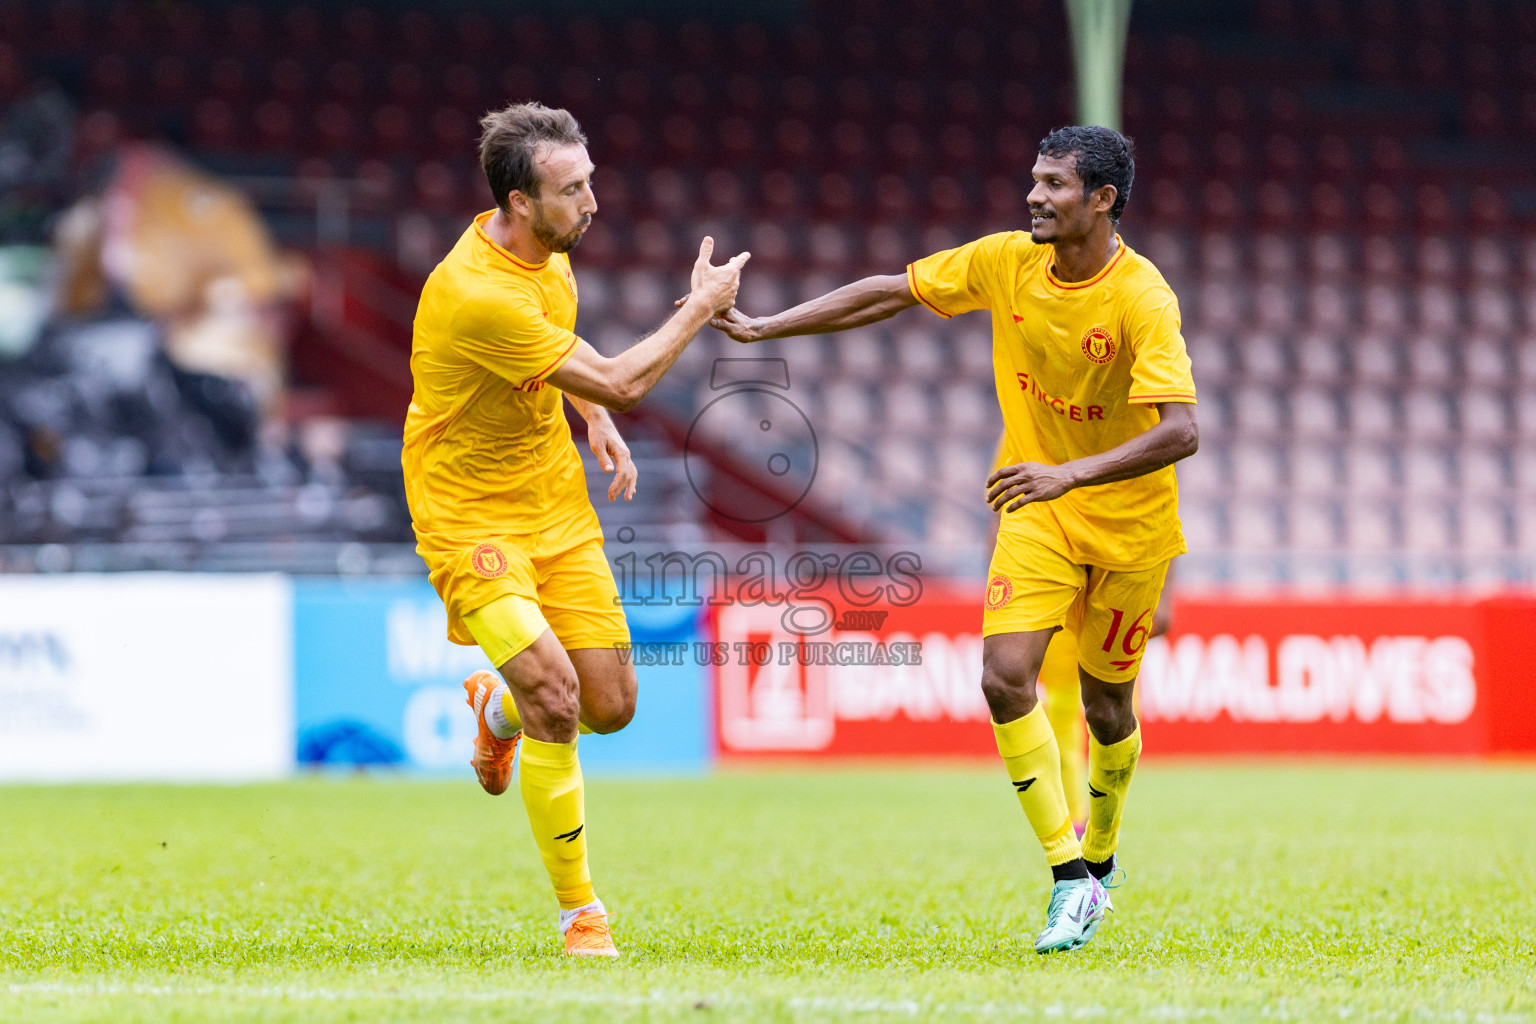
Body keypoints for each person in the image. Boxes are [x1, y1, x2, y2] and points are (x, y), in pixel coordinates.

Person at [712, 125, 1197, 953]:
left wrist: (1069, 474)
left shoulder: (1142, 296)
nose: (1034, 196)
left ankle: (1103, 853)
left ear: (1103, 200)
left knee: (1109, 708)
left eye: (1053, 184)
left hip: (1126, 523)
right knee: (1006, 680)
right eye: (1033, 180)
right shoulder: (1008, 260)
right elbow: (888, 292)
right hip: (1034, 508)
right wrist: (761, 330)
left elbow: (1182, 430)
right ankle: (1068, 878)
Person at [401, 102, 748, 958]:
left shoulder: (548, 258)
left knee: (611, 706)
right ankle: (580, 914)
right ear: (520, 202)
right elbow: (626, 379)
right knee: (558, 696)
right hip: (468, 516)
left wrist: (588, 413)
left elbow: (566, 351)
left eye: (591, 179)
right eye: (573, 189)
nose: (593, 201)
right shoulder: (474, 293)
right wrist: (700, 309)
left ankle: (497, 712)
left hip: (554, 506)